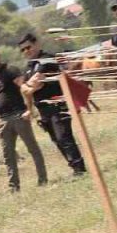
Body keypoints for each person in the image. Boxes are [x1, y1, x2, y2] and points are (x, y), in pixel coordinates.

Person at [0, 47, 48, 192]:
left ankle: (42, 179)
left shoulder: (11, 70)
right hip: (3, 120)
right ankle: (14, 186)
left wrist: (29, 110)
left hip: (19, 115)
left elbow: (24, 89)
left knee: (33, 149)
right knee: (8, 155)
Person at [20, 33, 85, 176]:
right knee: (56, 139)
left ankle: (79, 169)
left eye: (28, 47)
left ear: (36, 44)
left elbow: (36, 82)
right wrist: (29, 88)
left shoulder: (46, 59)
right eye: (23, 50)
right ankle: (75, 167)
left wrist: (28, 88)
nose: (26, 51)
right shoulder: (29, 66)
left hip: (57, 104)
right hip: (43, 108)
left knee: (63, 137)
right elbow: (24, 88)